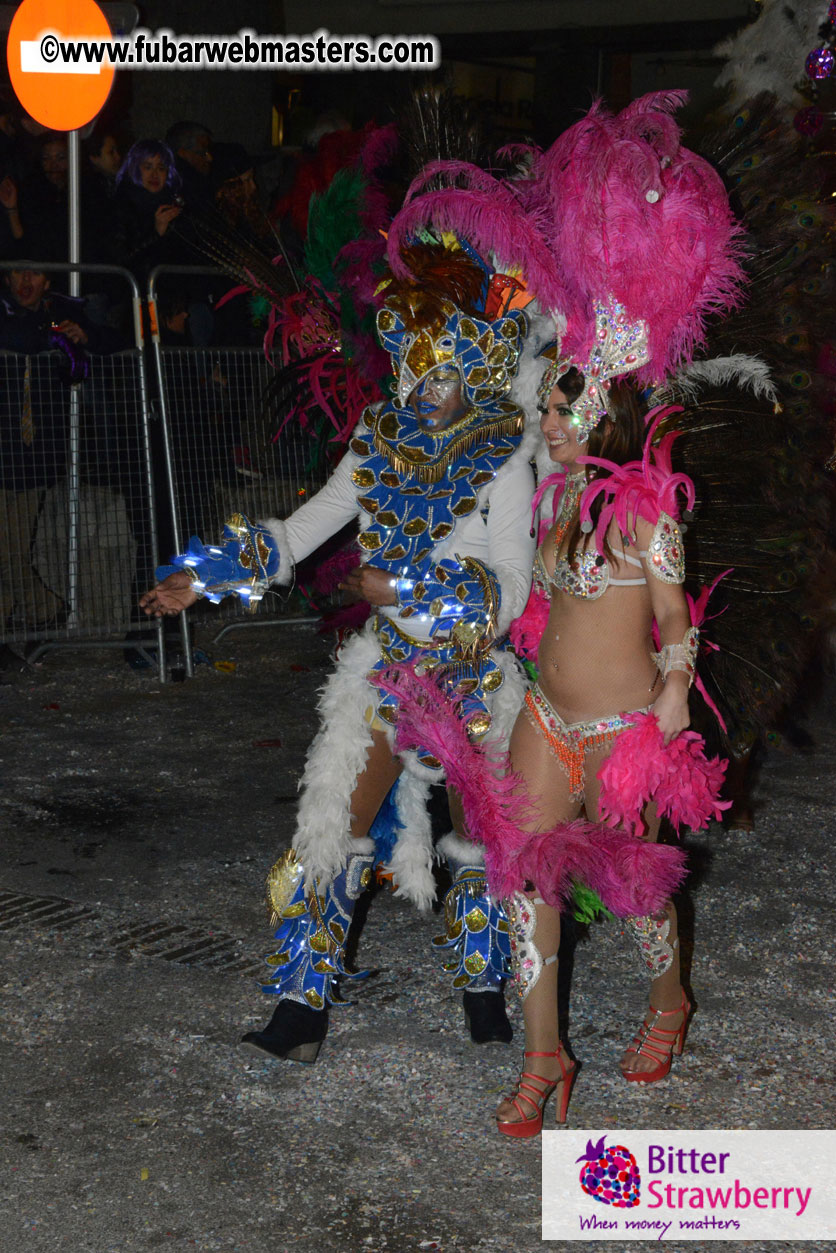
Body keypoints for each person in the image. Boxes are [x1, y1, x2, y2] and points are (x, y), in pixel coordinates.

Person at [140, 242, 537, 1060]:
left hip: (470, 676)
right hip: (388, 668)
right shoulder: (377, 441)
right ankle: (302, 1008)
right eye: (414, 372)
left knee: (484, 841)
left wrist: (411, 589)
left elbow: (513, 585)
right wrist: (204, 574)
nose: (427, 391)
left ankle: (483, 989)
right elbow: (299, 530)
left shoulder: (505, 454)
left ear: (473, 359)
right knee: (331, 825)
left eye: (443, 372)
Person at [494, 360, 696, 1136]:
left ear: (604, 416)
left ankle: (669, 1001)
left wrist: (675, 684)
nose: (546, 423)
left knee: (638, 889)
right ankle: (544, 1057)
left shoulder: (649, 510)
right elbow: (550, 609)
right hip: (547, 718)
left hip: (623, 732)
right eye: (545, 408)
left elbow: (674, 614)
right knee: (524, 879)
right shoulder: (559, 497)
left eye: (561, 412)